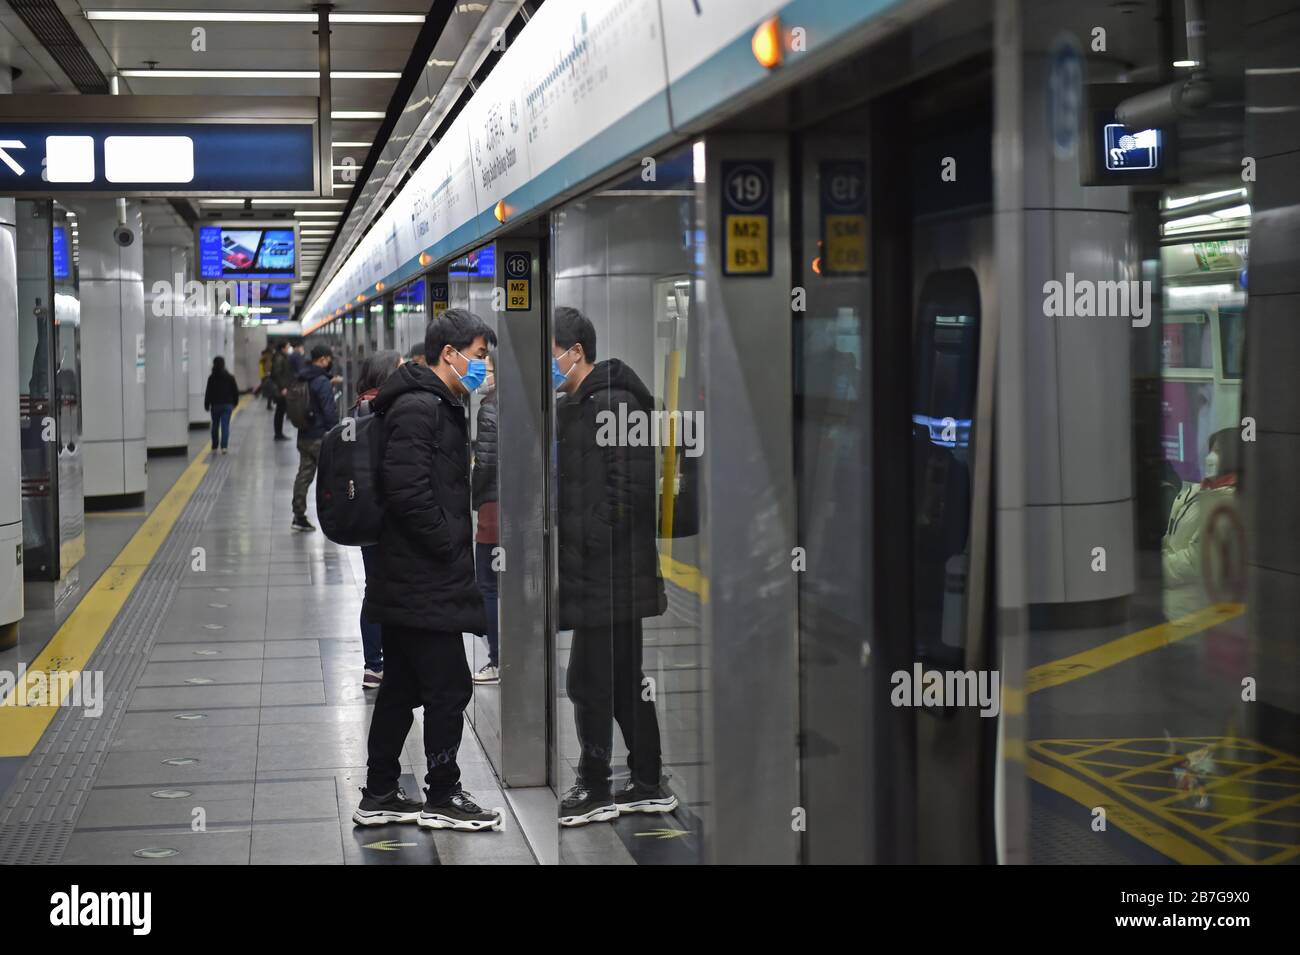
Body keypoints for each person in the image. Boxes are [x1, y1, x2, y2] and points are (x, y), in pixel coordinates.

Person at [352, 309, 501, 831]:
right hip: (422, 576)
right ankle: (442, 793)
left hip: (410, 577)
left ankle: (379, 792)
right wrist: (448, 544)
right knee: (449, 688)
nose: (483, 365)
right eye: (479, 356)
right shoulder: (421, 407)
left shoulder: (432, 402)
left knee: (399, 689)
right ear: (450, 354)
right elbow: (408, 492)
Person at [551, 306, 675, 827]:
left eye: (552, 352)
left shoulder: (616, 404)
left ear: (576, 351)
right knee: (618, 679)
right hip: (599, 573)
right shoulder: (577, 404)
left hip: (612, 572)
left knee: (594, 679)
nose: (550, 363)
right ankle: (646, 780)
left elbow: (627, 492)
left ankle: (597, 783)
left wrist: (585, 543)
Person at [352, 349, 402, 689]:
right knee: (396, 588)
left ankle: (374, 664)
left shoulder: (357, 408)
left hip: (365, 515)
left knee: (374, 588)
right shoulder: (389, 409)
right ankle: (395, 663)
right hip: (392, 514)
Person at [1162, 428, 1242, 621]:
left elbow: (1196, 560)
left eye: (1218, 452)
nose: (1211, 457)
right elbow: (1171, 535)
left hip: (1190, 610)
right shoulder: (1197, 491)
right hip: (1171, 601)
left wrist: (1159, 567)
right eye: (1211, 451)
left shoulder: (1228, 502)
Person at [290, 344, 340, 532]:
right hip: (320, 437)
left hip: (304, 435)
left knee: (304, 475)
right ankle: (333, 515)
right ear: (322, 359)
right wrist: (336, 432)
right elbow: (329, 411)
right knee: (330, 477)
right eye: (328, 359)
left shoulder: (302, 376)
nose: (330, 363)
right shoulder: (321, 381)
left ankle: (298, 515)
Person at [472, 354, 500, 684]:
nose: (481, 374)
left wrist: (473, 495)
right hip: (521, 509)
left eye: (487, 369)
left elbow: (485, 464)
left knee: (489, 587)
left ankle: (497, 660)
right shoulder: (527, 402)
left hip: (494, 511)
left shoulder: (490, 408)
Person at [203, 356, 239, 455]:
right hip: (227, 405)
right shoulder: (230, 377)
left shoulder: (211, 378)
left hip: (215, 405)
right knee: (225, 425)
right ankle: (224, 447)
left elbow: (208, 392)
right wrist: (236, 402)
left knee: (215, 425)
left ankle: (214, 445)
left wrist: (206, 404)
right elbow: (235, 391)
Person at [270, 339, 296, 441]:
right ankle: (278, 434)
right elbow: (276, 374)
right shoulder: (279, 358)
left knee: (280, 411)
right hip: (281, 389)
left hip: (283, 388)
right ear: (283, 348)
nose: (289, 349)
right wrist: (282, 388)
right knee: (280, 411)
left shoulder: (281, 357)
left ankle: (279, 433)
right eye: (287, 347)